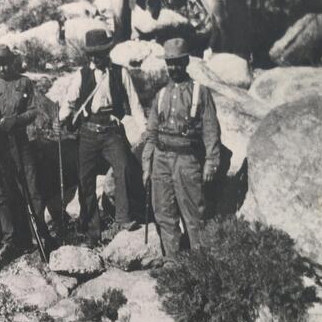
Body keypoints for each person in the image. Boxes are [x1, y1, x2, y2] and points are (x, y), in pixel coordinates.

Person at [58, 29, 145, 244]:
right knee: (84, 179)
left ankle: (123, 218)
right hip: (88, 132)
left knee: (123, 167)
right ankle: (91, 230)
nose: (95, 58)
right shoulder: (81, 75)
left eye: (100, 53)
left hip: (112, 130)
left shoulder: (120, 72)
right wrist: (61, 118)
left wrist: (145, 132)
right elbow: (69, 102)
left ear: (107, 52)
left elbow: (135, 104)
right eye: (92, 54)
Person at [141, 37, 222, 256]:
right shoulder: (161, 95)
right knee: (164, 212)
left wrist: (211, 163)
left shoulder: (200, 92)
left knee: (194, 213)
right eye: (170, 63)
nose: (173, 67)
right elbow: (151, 133)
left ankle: (199, 262)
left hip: (187, 160)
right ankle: (172, 261)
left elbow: (211, 130)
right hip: (161, 158)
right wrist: (147, 165)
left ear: (186, 62)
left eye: (177, 62)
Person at [0, 44, 55, 261]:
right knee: (4, 193)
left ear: (12, 62)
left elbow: (34, 110)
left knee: (31, 188)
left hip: (21, 142)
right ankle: (11, 239)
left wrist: (17, 120)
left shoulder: (24, 82)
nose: (3, 68)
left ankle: (38, 233)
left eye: (5, 63)